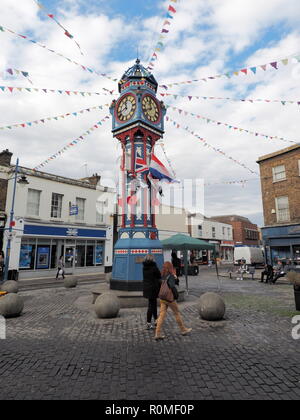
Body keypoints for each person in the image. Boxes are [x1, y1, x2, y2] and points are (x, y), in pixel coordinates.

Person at [155, 261, 192, 340]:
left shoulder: (162, 275)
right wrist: (176, 295)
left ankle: (157, 333)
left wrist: (176, 279)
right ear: (170, 268)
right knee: (176, 313)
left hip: (162, 298)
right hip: (170, 299)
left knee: (161, 315)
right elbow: (172, 286)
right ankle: (183, 329)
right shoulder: (170, 276)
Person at [142, 254, 162, 330]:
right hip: (153, 288)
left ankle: (156, 321)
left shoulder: (144, 268)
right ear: (152, 260)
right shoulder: (154, 267)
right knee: (151, 306)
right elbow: (159, 275)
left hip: (147, 288)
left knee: (153, 305)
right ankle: (148, 323)